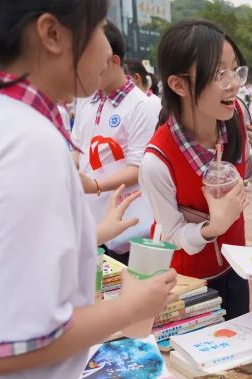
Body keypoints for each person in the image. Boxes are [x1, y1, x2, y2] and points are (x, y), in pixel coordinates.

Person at [0, 1, 177, 379]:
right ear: (52, 34)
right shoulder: (25, 140)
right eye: (99, 28)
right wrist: (131, 306)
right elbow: (8, 347)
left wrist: (91, 235)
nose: (108, 49)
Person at [139, 20, 252, 320]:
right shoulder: (157, 162)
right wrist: (213, 228)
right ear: (179, 85)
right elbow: (173, 234)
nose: (234, 83)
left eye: (235, 70)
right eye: (220, 73)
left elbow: (245, 168)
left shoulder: (236, 117)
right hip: (186, 284)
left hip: (235, 267)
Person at [72, 21, 160, 264]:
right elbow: (77, 149)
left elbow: (138, 168)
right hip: (91, 221)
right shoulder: (86, 99)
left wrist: (94, 185)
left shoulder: (141, 106)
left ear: (114, 61)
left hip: (127, 227)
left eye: (92, 62)